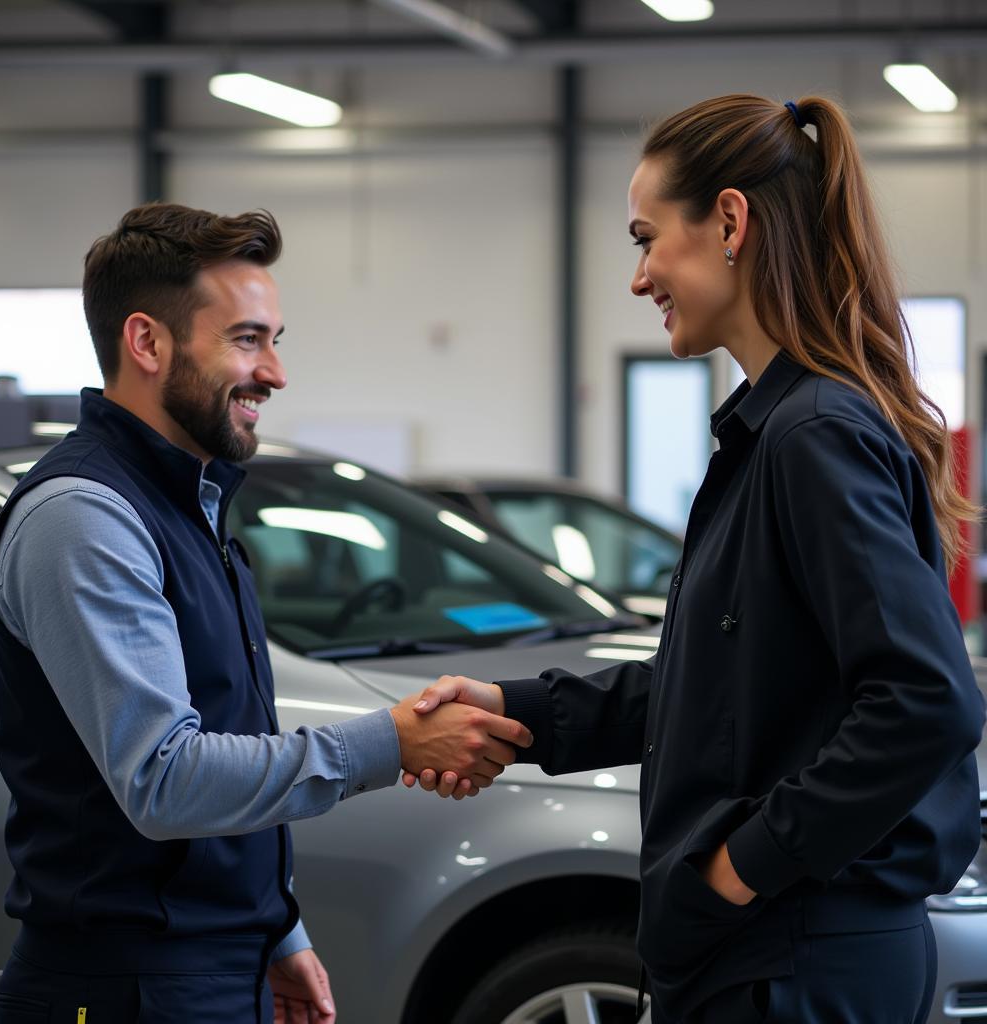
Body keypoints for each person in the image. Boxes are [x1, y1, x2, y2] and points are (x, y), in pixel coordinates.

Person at [405, 94, 986, 1024]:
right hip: (781, 953)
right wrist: (518, 714)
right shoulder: (775, 434)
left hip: (796, 961)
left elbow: (926, 701)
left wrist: (738, 868)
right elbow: (719, 693)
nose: (640, 278)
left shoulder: (813, 435)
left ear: (728, 221)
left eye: (647, 239)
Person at [0, 202, 532, 1024]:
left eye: (275, 340)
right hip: (125, 987)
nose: (274, 372)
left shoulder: (190, 505)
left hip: (205, 967)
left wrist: (276, 930)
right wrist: (394, 740)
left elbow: (224, 739)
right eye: (247, 339)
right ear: (147, 342)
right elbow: (164, 778)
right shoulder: (85, 517)